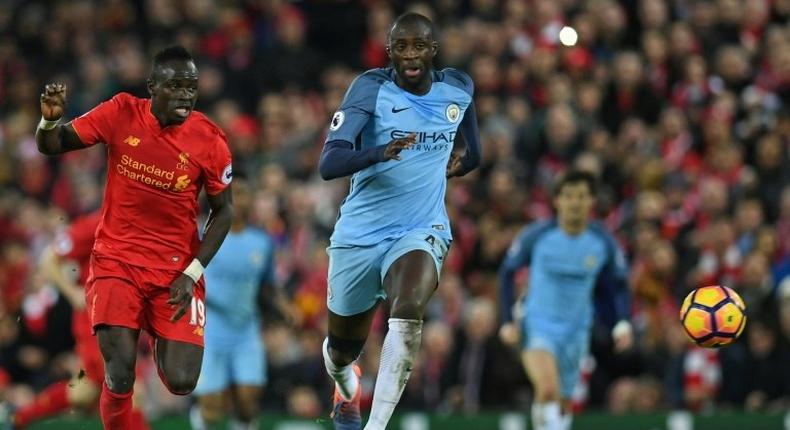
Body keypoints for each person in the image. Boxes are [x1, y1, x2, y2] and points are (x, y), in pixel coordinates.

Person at [34, 45, 233, 430]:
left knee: (181, 381)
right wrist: (47, 124)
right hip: (116, 262)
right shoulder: (120, 112)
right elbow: (54, 144)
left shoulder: (211, 141)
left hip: (176, 271)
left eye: (191, 87)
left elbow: (224, 212)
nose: (185, 95)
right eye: (174, 86)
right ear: (151, 87)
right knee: (120, 375)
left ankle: (159, 330)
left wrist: (192, 272)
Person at [318, 12, 481, 430]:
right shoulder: (370, 89)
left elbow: (474, 152)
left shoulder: (458, 88)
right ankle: (344, 383)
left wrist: (458, 164)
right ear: (389, 52)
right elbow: (329, 161)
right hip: (359, 234)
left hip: (419, 228)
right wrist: (378, 152)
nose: (411, 55)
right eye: (401, 47)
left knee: (407, 310)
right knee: (342, 351)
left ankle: (375, 426)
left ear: (433, 50)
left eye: (419, 46)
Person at [498, 170, 634, 430]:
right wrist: (506, 320)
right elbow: (507, 272)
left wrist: (623, 322)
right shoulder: (537, 235)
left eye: (582, 196)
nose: (575, 202)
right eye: (569, 196)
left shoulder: (602, 241)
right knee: (547, 388)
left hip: (577, 331)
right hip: (537, 325)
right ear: (557, 200)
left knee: (562, 402)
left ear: (592, 201)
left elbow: (618, 284)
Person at [2, 211, 149, 430]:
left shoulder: (139, 225)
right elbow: (48, 260)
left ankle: (17, 419)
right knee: (130, 389)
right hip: (96, 323)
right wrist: (73, 293)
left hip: (119, 319)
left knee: (83, 391)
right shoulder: (92, 225)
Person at [189, 174, 283, 430]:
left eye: (243, 192)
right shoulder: (200, 234)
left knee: (247, 403)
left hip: (246, 331)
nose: (238, 198)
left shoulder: (262, 242)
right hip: (208, 331)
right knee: (212, 407)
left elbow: (267, 286)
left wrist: (284, 309)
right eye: (234, 192)